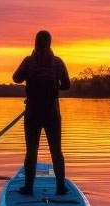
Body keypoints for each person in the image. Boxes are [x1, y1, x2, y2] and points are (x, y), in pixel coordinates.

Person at [13, 30, 70, 195]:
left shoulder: (29, 61)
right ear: (50, 43)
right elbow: (67, 85)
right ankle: (60, 187)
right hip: (52, 112)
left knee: (31, 150)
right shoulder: (57, 62)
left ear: (35, 42)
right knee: (56, 150)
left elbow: (16, 78)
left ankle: (28, 188)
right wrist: (53, 85)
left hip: (32, 113)